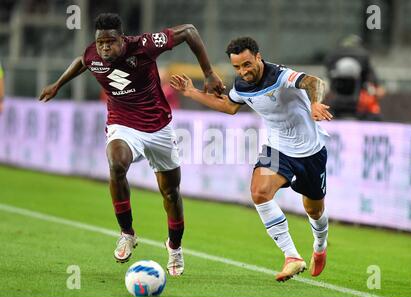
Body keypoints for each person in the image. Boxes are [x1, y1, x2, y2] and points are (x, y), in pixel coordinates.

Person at [39, 13, 224, 276]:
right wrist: (58, 84)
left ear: (122, 39)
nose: (104, 47)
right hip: (122, 124)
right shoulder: (93, 54)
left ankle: (175, 247)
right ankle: (127, 233)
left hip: (159, 127)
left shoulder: (145, 45)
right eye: (101, 42)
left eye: (110, 42)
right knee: (116, 164)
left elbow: (190, 31)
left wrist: (209, 73)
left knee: (170, 193)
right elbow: (82, 61)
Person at [171, 37, 332, 282]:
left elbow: (314, 82)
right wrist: (191, 92)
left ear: (258, 56)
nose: (243, 71)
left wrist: (315, 103)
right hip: (278, 150)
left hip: (311, 152)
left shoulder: (279, 75)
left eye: (247, 64)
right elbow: (229, 106)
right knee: (259, 193)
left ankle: (320, 246)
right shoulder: (242, 86)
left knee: (314, 209)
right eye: (237, 67)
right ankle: (292, 257)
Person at [324, 34, 385, 120]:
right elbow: (370, 75)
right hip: (359, 101)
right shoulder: (364, 55)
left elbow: (328, 73)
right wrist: (376, 86)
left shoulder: (332, 55)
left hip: (335, 99)